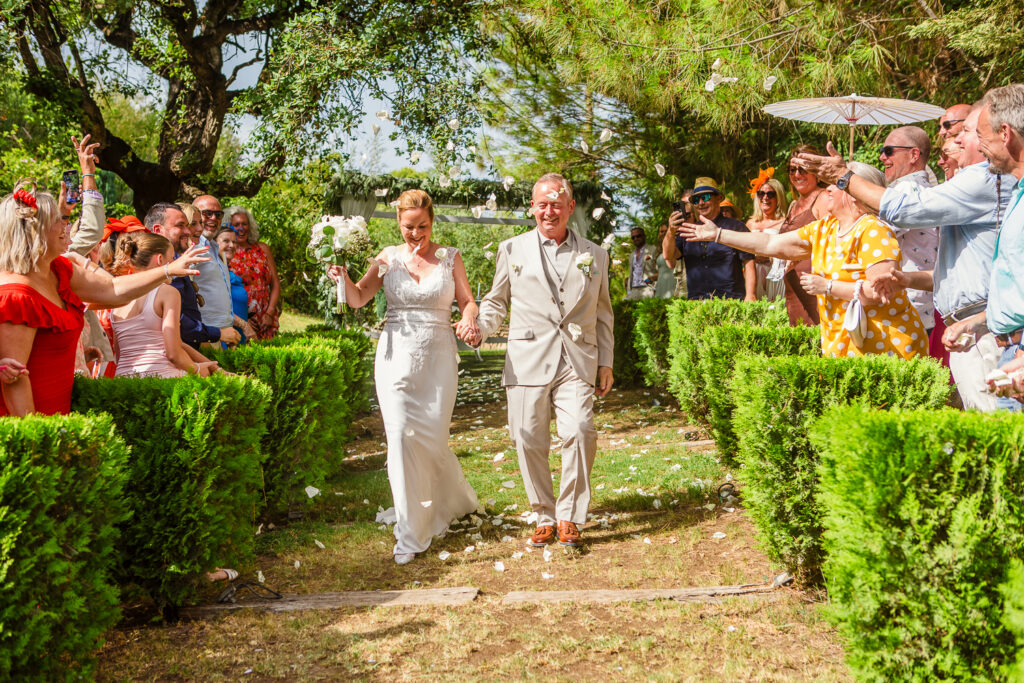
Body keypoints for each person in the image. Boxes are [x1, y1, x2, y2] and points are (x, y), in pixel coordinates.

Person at [795, 104, 1013, 410]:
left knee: (993, 429)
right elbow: (955, 268)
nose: (955, 140)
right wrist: (907, 278)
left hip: (972, 325)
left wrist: (844, 179)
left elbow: (899, 212)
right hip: (964, 323)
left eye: (967, 131)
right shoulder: (968, 181)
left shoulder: (983, 179)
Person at [329, 189, 479, 565]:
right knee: (398, 437)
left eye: (423, 226)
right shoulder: (386, 258)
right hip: (395, 357)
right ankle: (411, 533)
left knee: (431, 439)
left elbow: (468, 300)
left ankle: (443, 505)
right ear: (398, 222)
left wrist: (470, 317)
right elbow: (358, 298)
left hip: (438, 359)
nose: (415, 234)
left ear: (432, 222)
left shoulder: (450, 258)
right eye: (409, 227)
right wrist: (342, 277)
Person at [465, 173, 614, 549]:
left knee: (580, 429)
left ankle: (569, 516)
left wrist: (606, 361)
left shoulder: (595, 255)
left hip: (577, 358)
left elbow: (602, 313)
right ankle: (544, 515)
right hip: (527, 356)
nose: (549, 211)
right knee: (528, 438)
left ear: (570, 207)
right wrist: (482, 326)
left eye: (556, 203)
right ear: (533, 208)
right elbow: (497, 301)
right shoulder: (511, 249)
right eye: (542, 204)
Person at [678, 163, 928, 359]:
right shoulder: (825, 228)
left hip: (885, 344)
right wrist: (718, 234)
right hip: (844, 342)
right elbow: (769, 244)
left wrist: (828, 287)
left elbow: (878, 291)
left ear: (855, 194)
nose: (827, 189)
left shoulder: (874, 230)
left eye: (836, 184)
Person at [0, 184, 208, 416]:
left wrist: (168, 270)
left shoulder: (59, 270)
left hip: (64, 413)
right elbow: (14, 380)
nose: (65, 225)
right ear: (34, 230)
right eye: (57, 220)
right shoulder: (15, 295)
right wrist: (38, 441)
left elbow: (113, 289)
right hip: (35, 422)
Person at [972, 84, 1024, 407]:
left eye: (982, 137)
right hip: (1013, 352)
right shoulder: (1018, 192)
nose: (980, 149)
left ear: (1005, 133)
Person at [109, 232, 221, 378]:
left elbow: (120, 354)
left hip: (123, 381)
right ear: (160, 259)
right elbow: (173, 354)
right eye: (172, 259)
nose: (175, 264)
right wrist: (198, 370)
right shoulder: (168, 293)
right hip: (162, 378)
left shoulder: (118, 298)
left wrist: (215, 368)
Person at [146, 203, 240, 350]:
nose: (190, 231)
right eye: (182, 225)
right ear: (158, 230)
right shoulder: (162, 266)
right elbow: (178, 322)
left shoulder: (177, 261)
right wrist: (216, 334)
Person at [663, 177, 756, 301]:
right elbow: (669, 257)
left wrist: (750, 295)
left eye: (705, 197)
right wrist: (671, 230)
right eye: (696, 200)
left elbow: (749, 262)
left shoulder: (736, 226)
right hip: (696, 303)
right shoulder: (689, 229)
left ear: (718, 198)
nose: (701, 203)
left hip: (731, 301)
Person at [778, 145, 829, 325]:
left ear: (816, 172)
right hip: (793, 287)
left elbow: (834, 240)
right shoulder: (793, 204)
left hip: (813, 285)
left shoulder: (823, 199)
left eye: (803, 169)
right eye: (792, 170)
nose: (797, 175)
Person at [226, 206, 281, 340]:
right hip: (241, 317)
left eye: (244, 224)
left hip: (265, 318)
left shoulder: (262, 249)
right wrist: (243, 320)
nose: (241, 228)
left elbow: (275, 284)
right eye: (236, 224)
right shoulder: (226, 253)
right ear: (229, 227)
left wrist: (269, 313)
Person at [746, 168, 789, 300]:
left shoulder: (785, 223)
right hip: (754, 275)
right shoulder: (750, 224)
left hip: (776, 276)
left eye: (770, 194)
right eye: (761, 193)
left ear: (779, 197)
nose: (765, 198)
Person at [214, 226, 255, 337]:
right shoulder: (213, 272)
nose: (232, 245)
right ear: (214, 244)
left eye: (234, 242)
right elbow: (215, 306)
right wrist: (244, 325)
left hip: (238, 336)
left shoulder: (228, 272)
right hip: (223, 336)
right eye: (226, 241)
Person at [624, 227, 658, 300]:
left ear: (644, 236)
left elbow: (660, 270)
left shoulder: (653, 249)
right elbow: (632, 273)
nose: (636, 238)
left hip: (648, 288)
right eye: (633, 237)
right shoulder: (631, 255)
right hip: (634, 289)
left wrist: (651, 280)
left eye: (638, 236)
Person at [654, 224, 685, 299]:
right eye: (661, 231)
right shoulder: (658, 249)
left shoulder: (676, 243)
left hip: (673, 281)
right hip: (661, 282)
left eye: (666, 231)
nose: (664, 233)